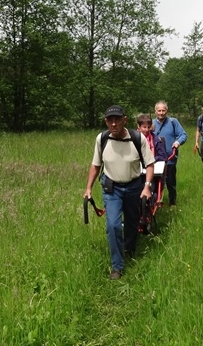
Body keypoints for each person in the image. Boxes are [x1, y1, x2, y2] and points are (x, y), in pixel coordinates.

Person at [84, 105, 155, 280]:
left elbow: (150, 164)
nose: (113, 123)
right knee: (113, 225)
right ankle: (117, 266)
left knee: (132, 223)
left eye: (117, 119)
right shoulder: (102, 139)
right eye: (110, 120)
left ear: (125, 119)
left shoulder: (138, 138)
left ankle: (129, 248)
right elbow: (96, 165)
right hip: (111, 188)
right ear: (106, 121)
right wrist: (88, 188)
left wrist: (146, 186)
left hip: (134, 187)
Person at [152, 101, 187, 206]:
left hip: (170, 159)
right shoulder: (151, 123)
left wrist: (177, 142)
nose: (161, 113)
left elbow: (183, 135)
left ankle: (172, 203)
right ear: (155, 111)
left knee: (171, 182)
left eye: (163, 110)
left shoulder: (173, 122)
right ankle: (155, 203)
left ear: (166, 111)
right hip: (155, 159)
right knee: (155, 182)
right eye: (159, 110)